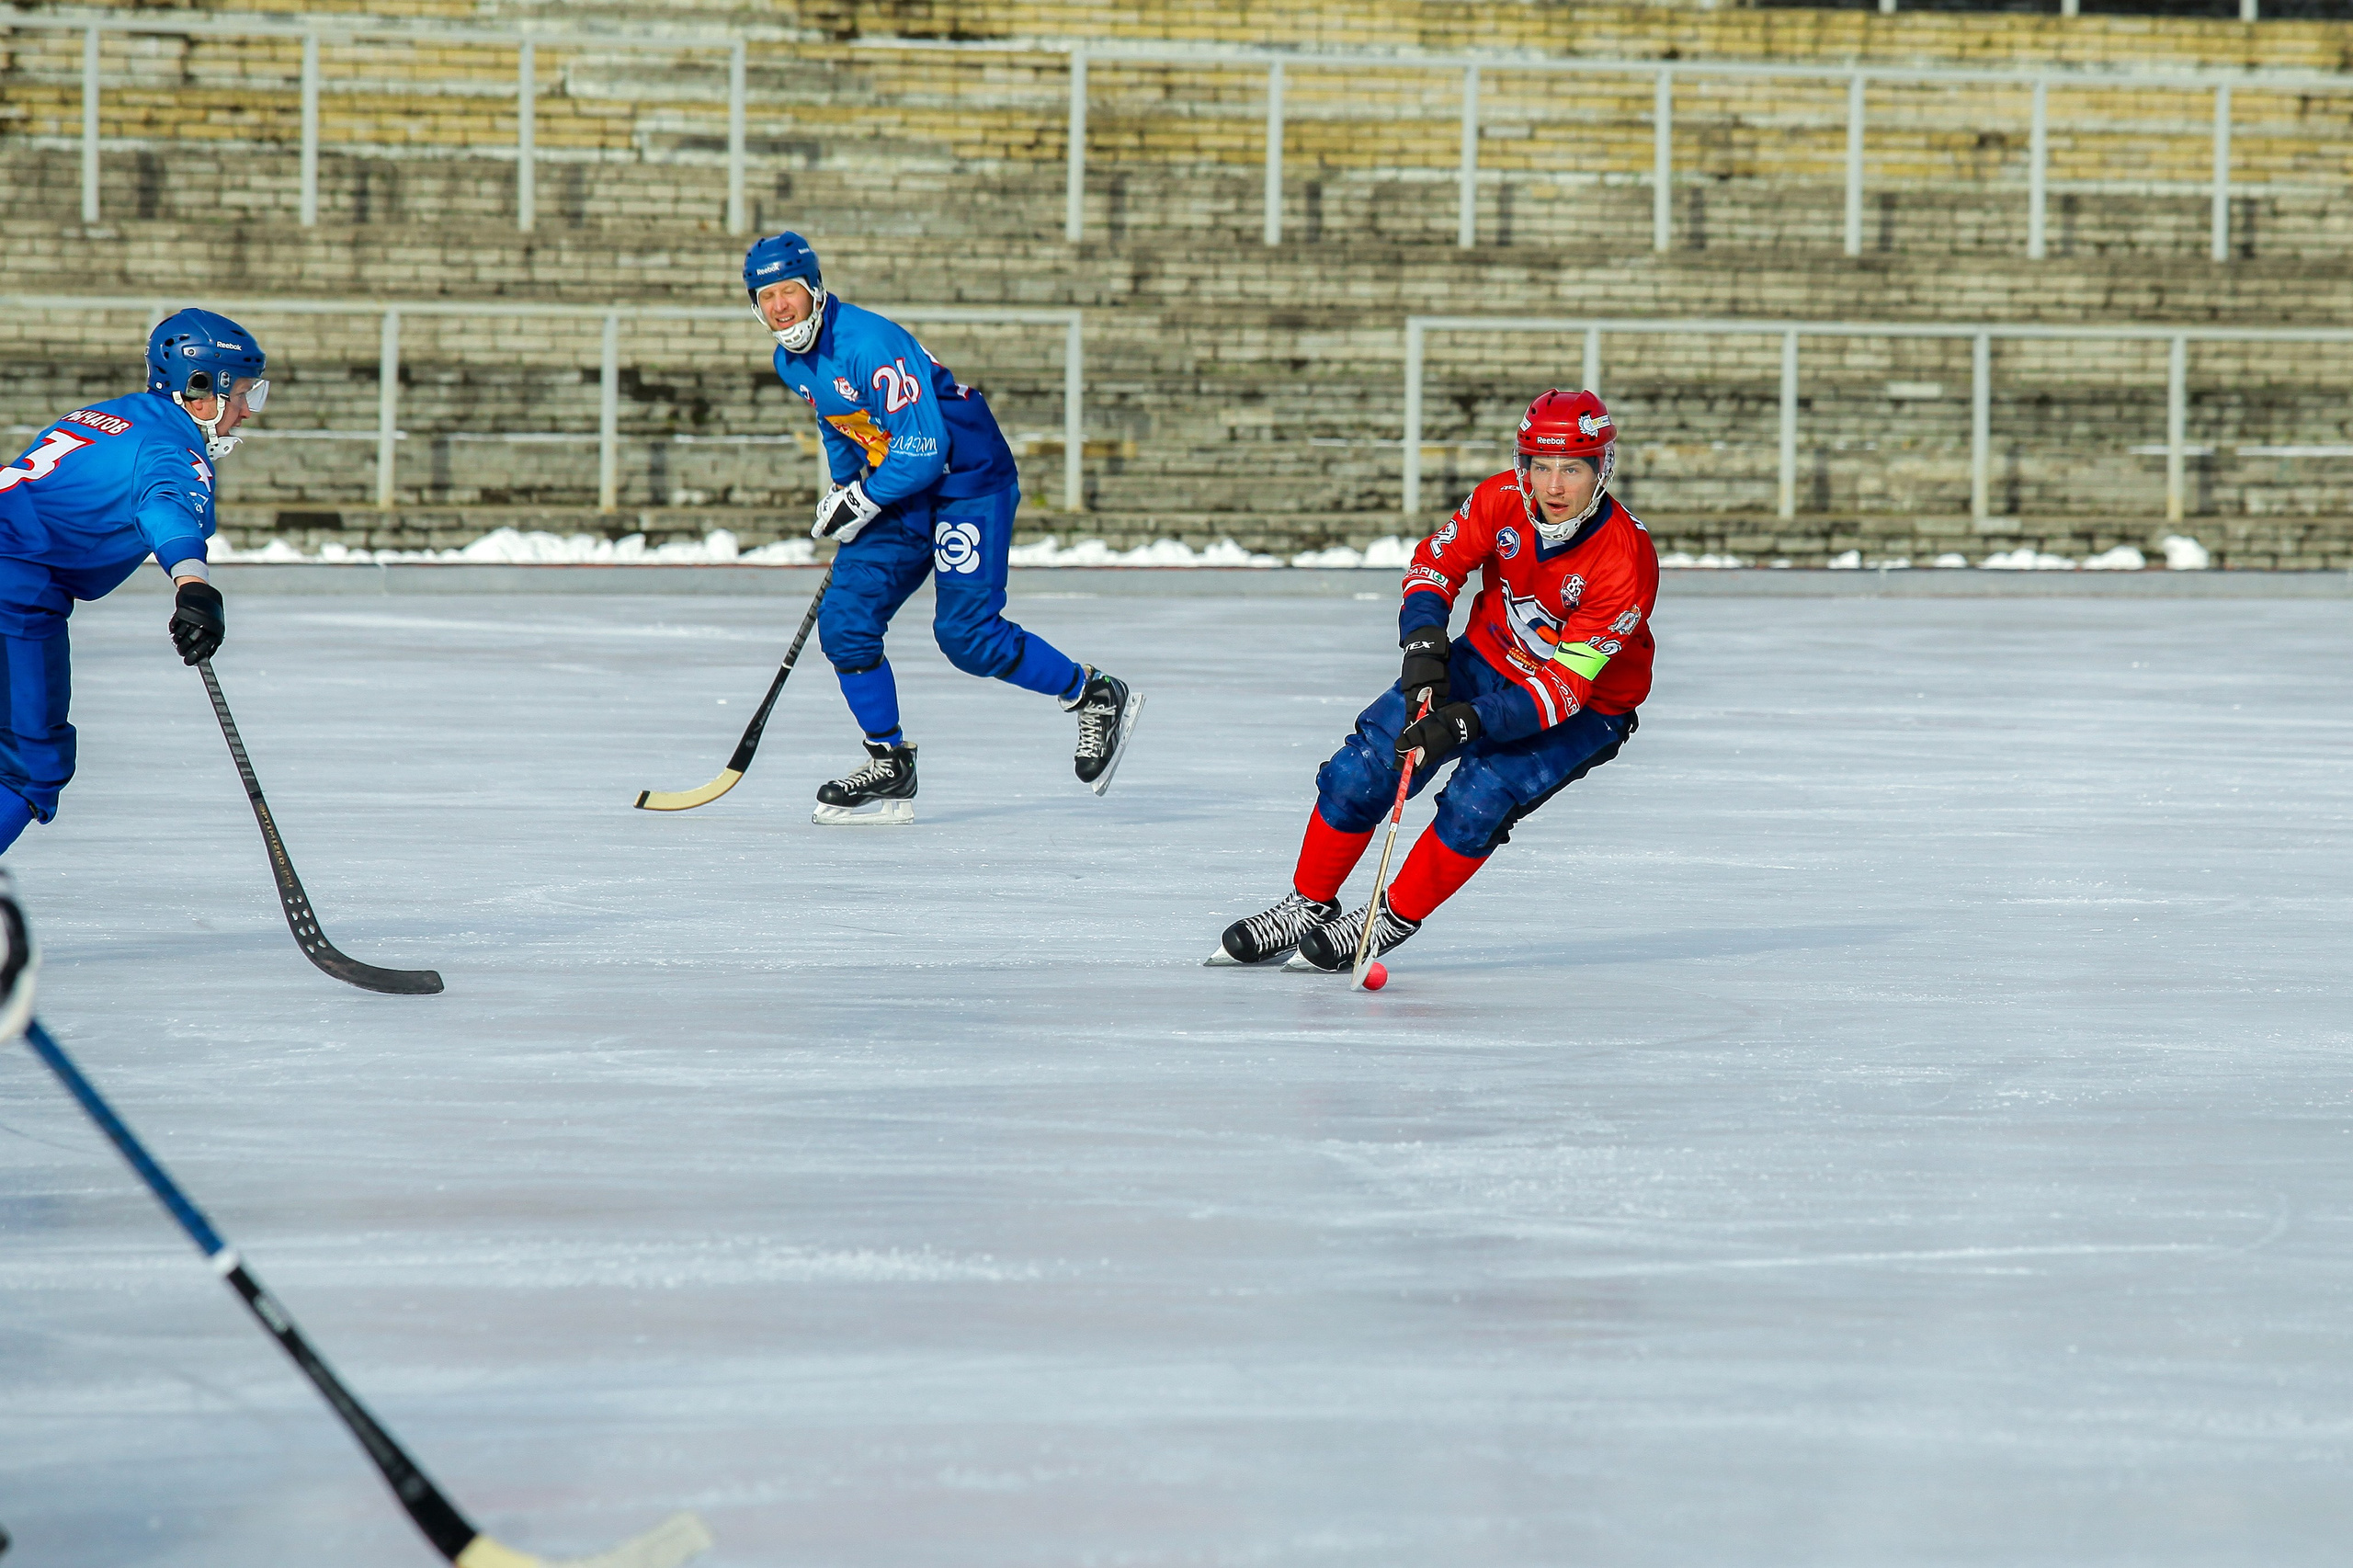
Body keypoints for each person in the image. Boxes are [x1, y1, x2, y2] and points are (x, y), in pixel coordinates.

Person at [1214, 389, 1658, 971]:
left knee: (1480, 798)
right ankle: (1308, 904)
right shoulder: (1501, 498)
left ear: (1602, 470)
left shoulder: (1626, 558)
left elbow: (1563, 690)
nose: (1553, 487)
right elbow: (1436, 565)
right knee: (1367, 763)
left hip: (1588, 705)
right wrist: (1424, 643)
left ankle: (1385, 918)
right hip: (1486, 658)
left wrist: (1468, 722)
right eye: (1540, 465)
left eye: (1572, 468)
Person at [745, 232, 1142, 825]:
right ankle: (889, 760)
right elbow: (842, 424)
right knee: (847, 622)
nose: (780, 307)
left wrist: (866, 497)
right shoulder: (790, 360)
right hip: (900, 484)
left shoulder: (867, 343)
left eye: (789, 292)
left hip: (964, 482)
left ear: (815, 289)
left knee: (967, 636)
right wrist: (844, 487)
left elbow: (926, 447)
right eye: (766, 295)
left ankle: (1094, 693)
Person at [0, 309, 265, 855]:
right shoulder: (172, 448)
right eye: (241, 393)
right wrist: (194, 586)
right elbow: (168, 508)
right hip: (15, 592)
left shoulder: (99, 416)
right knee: (27, 768)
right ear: (200, 388)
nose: (246, 411)